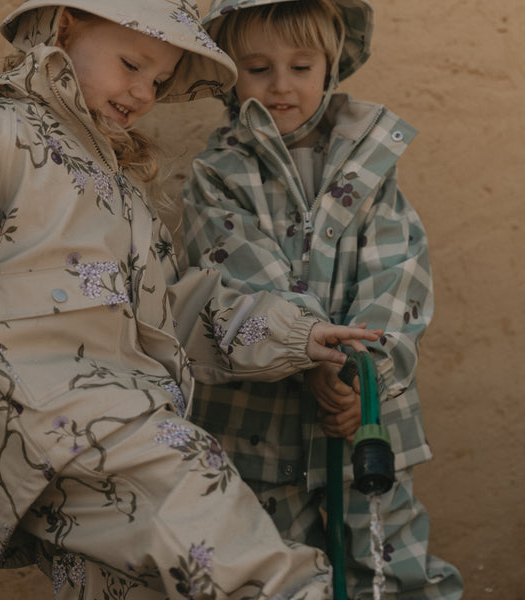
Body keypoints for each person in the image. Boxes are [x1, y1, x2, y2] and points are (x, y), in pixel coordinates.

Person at [0, 1, 386, 598]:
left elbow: (169, 317)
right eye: (131, 64)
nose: (143, 91)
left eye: (160, 80)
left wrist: (294, 333)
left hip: (85, 447)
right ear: (65, 28)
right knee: (260, 571)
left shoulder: (117, 187)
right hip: (76, 427)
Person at [182, 1, 464, 598]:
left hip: (365, 423)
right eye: (257, 68)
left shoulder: (374, 166)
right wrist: (309, 355)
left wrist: (364, 375)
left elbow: (398, 276)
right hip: (258, 434)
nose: (281, 85)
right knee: (274, 573)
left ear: (330, 67)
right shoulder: (218, 175)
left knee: (390, 568)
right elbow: (237, 274)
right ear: (231, 73)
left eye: (301, 66)